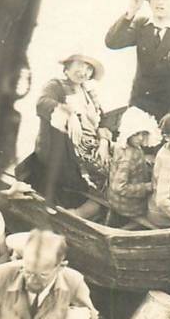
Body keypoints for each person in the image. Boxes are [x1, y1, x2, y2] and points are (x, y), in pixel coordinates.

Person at [34, 54, 113, 212]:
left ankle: (102, 202)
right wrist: (68, 114)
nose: (83, 71)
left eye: (88, 68)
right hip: (65, 152)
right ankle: (81, 210)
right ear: (67, 67)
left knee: (117, 165)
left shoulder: (88, 92)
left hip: (90, 146)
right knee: (104, 180)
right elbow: (42, 104)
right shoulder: (55, 85)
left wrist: (104, 142)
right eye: (79, 65)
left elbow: (103, 120)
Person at [106, 106, 159, 226]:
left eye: (143, 134)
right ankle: (148, 225)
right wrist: (147, 187)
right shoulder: (127, 159)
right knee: (157, 202)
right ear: (128, 134)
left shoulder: (125, 147)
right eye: (136, 134)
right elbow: (119, 187)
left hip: (117, 199)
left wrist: (144, 162)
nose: (140, 138)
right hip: (127, 205)